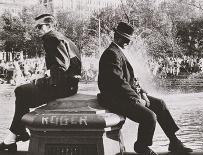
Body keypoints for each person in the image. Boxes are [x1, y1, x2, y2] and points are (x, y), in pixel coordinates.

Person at [97, 22, 192, 155]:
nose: (128, 43)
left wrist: (143, 93)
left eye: (129, 40)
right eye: (126, 40)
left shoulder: (118, 52)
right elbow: (118, 83)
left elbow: (131, 79)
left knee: (160, 104)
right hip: (116, 99)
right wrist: (137, 98)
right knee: (149, 117)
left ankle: (174, 141)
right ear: (117, 37)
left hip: (125, 95)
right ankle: (141, 146)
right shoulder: (111, 54)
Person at [0, 14, 81, 152]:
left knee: (21, 91)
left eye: (40, 26)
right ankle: (15, 134)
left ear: (49, 26)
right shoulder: (63, 37)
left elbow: (60, 68)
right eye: (36, 26)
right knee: (24, 93)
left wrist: (41, 81)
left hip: (63, 86)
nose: (37, 29)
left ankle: (16, 134)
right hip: (71, 85)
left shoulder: (51, 38)